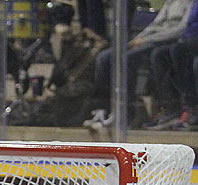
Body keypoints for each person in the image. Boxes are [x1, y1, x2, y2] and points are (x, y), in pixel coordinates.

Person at [82, 0, 194, 131]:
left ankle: (126, 111)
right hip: (149, 39)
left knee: (128, 59)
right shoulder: (171, 2)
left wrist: (147, 39)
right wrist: (138, 39)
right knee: (104, 57)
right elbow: (156, 24)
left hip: (166, 42)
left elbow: (181, 30)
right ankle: (101, 109)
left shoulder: (191, 3)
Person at [143, 0, 198, 129]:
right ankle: (171, 108)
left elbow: (182, 27)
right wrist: (140, 39)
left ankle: (190, 106)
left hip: (187, 40)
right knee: (159, 54)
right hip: (185, 39)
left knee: (183, 54)